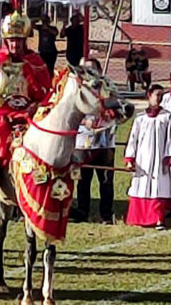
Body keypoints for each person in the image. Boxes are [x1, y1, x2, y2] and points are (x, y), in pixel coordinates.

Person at [0, 11, 51, 199]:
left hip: (28, 115)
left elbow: (46, 91)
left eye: (19, 40)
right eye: (11, 40)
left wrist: (36, 105)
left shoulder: (36, 63)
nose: (15, 44)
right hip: (1, 114)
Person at [71, 58, 116, 224]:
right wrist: (84, 121)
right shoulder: (77, 87)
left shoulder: (108, 87)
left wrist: (101, 120)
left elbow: (116, 109)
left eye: (91, 68)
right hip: (82, 142)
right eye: (83, 68)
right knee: (82, 179)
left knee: (105, 179)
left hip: (105, 142)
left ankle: (106, 214)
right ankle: (83, 211)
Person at [125, 84, 171, 229]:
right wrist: (130, 159)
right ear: (149, 95)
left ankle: (158, 219)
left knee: (158, 188)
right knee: (141, 186)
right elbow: (133, 139)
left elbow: (170, 138)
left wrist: (168, 157)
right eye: (156, 95)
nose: (158, 98)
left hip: (159, 159)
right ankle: (139, 218)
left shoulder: (167, 116)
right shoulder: (140, 118)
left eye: (161, 95)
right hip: (143, 159)